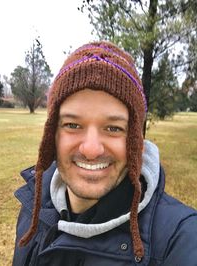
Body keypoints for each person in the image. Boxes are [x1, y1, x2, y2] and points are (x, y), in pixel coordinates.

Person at [13, 41, 197, 266]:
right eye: (72, 125)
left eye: (113, 128)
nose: (91, 150)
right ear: (52, 134)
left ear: (136, 140)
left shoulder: (179, 239)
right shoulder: (33, 203)